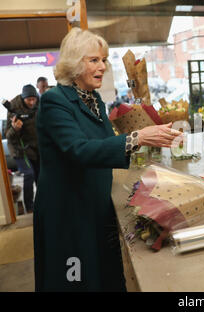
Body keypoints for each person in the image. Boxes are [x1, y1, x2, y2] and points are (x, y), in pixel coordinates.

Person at [33, 27, 181, 291]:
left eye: (103, 60)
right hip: (69, 212)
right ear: (74, 63)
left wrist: (142, 149)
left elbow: (102, 146)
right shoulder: (55, 101)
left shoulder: (94, 99)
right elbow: (78, 150)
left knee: (104, 273)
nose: (102, 66)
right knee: (75, 278)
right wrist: (137, 138)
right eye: (94, 60)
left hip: (95, 203)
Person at [5, 84, 40, 213]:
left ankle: (42, 204)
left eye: (33, 99)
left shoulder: (39, 103)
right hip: (19, 148)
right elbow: (8, 136)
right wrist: (15, 129)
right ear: (23, 98)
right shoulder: (13, 107)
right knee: (29, 174)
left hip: (36, 147)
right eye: (28, 100)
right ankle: (30, 207)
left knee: (40, 176)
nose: (31, 102)